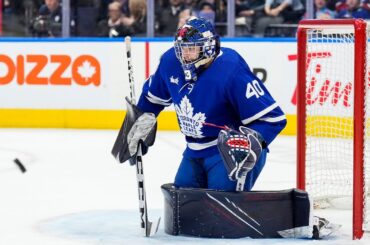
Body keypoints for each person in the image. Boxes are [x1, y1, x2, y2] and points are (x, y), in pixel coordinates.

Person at [116, 17, 287, 192]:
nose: (184, 55)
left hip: (229, 153)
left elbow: (272, 119)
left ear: (208, 47)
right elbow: (151, 100)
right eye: (182, 48)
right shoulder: (170, 61)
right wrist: (137, 127)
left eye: (191, 48)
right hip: (194, 149)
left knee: (220, 209)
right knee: (183, 202)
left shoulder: (230, 69)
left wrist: (251, 144)